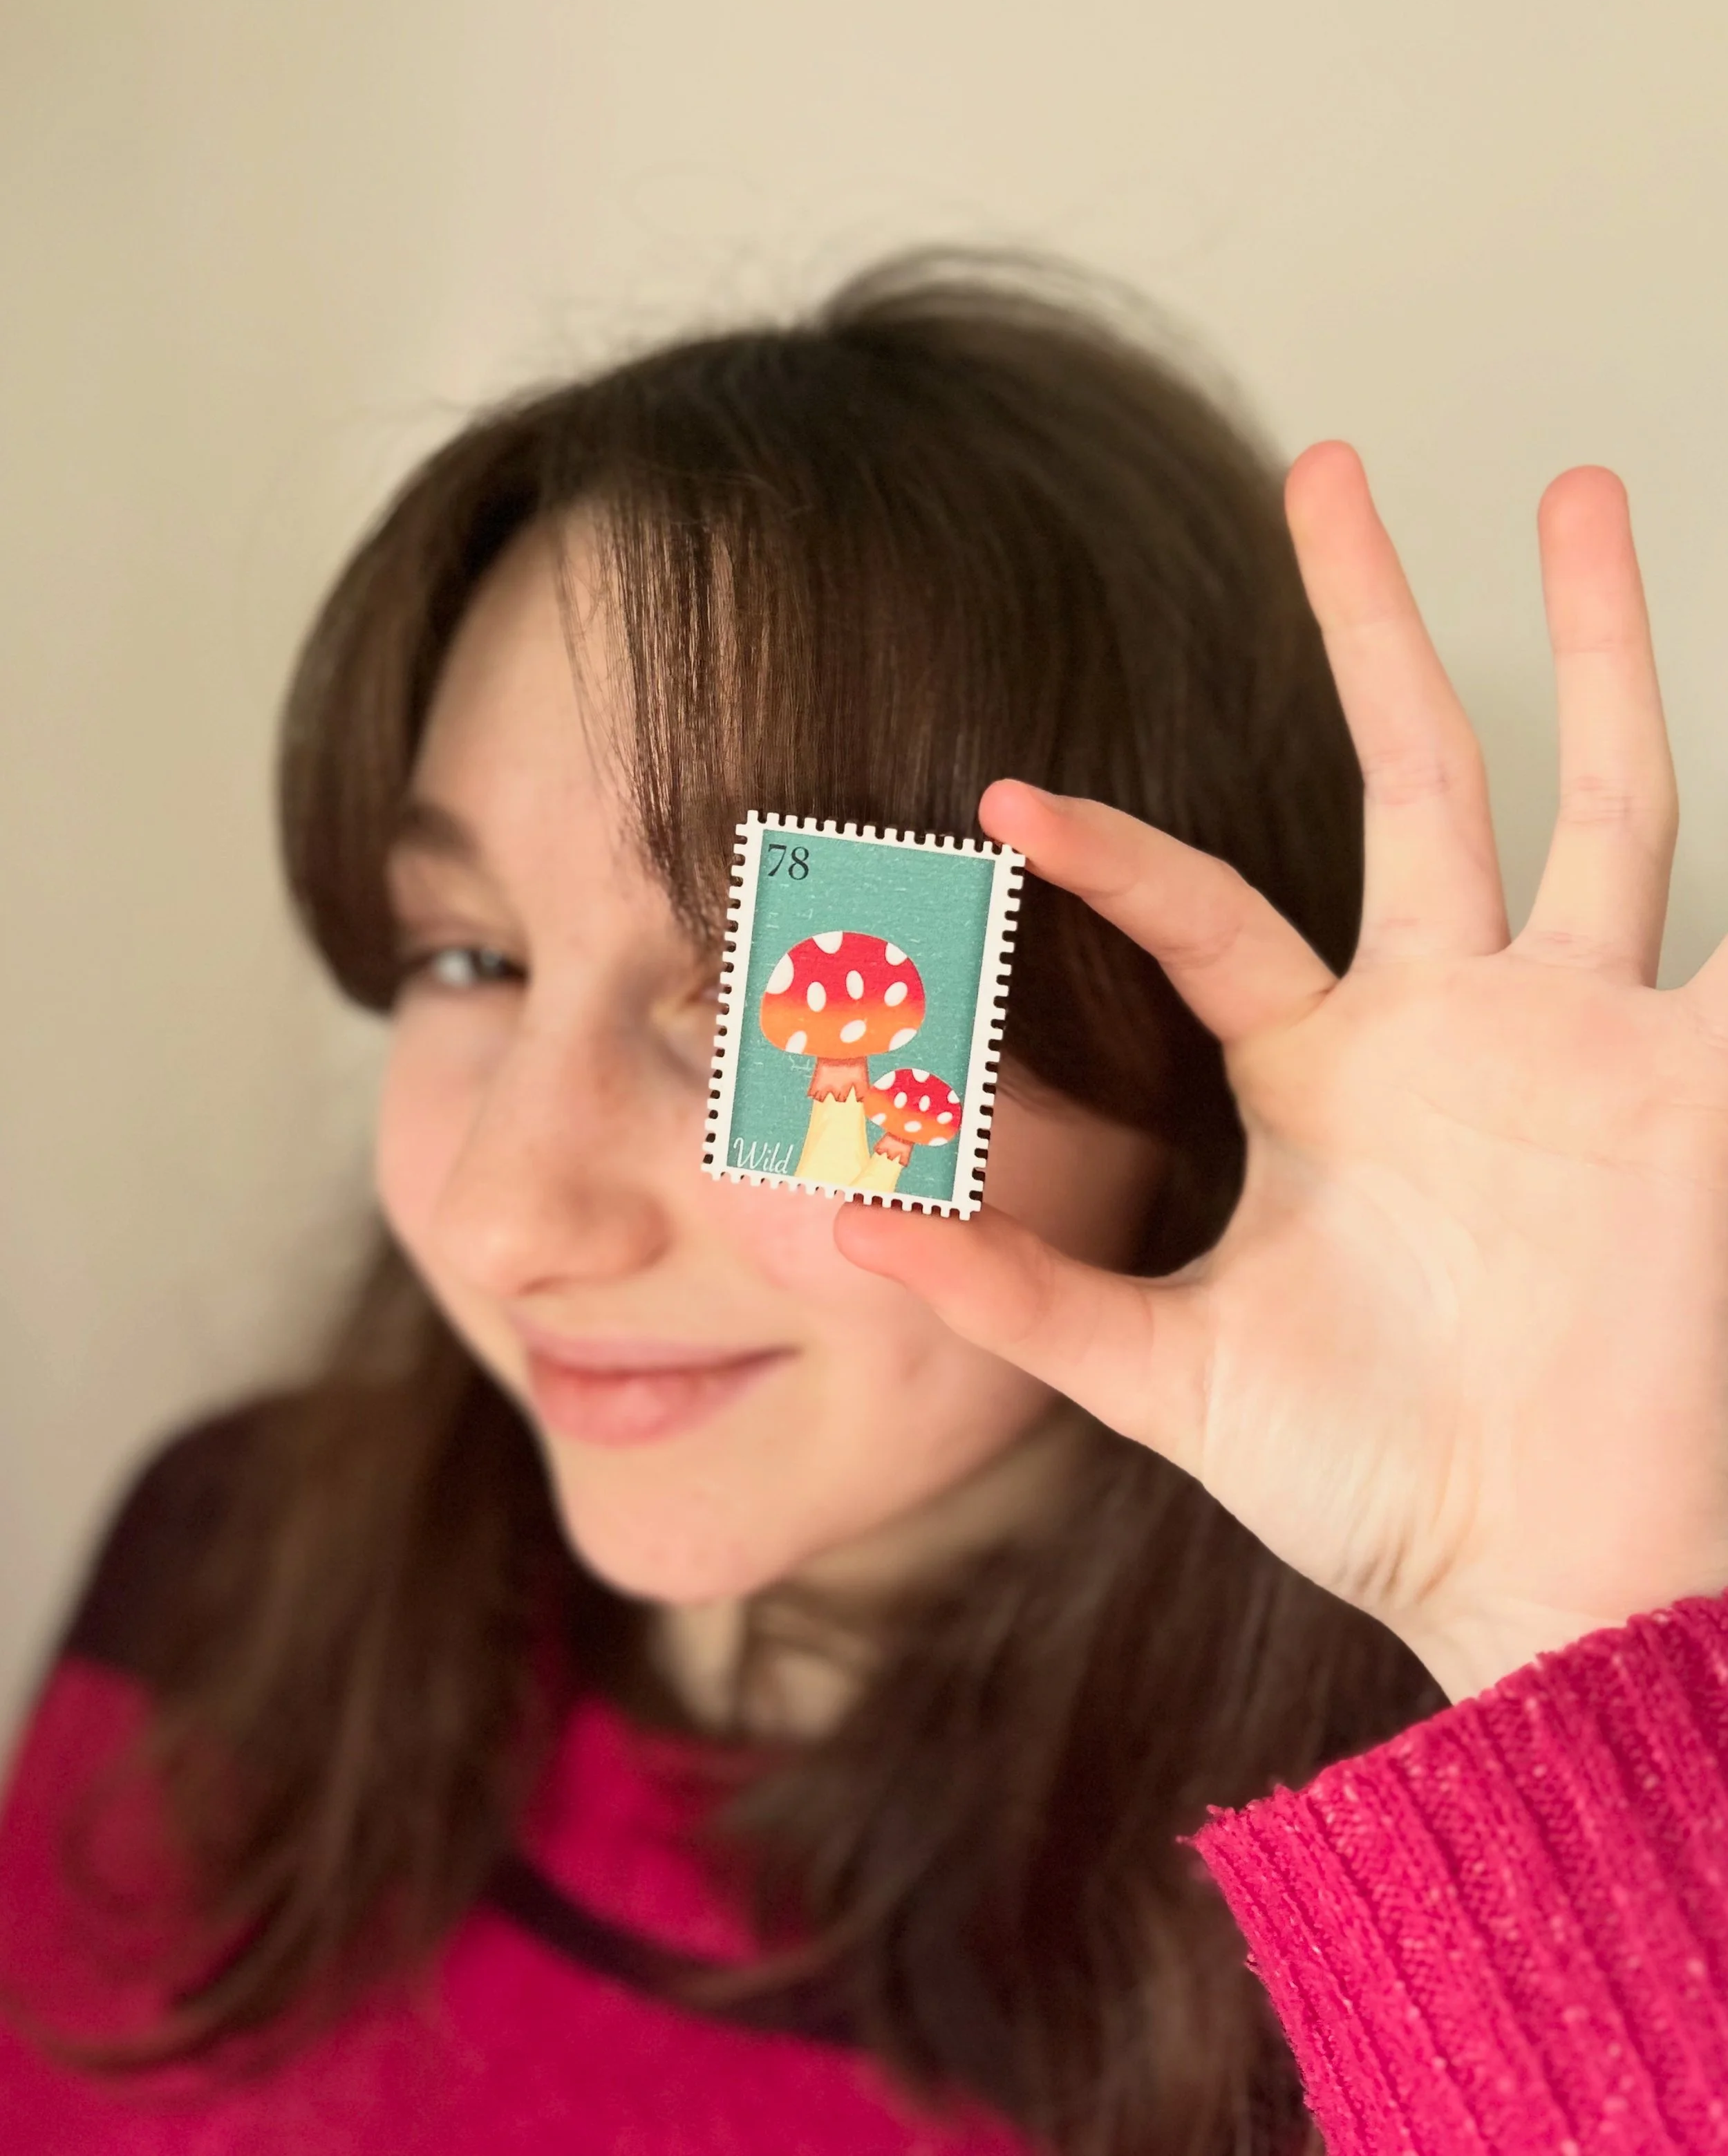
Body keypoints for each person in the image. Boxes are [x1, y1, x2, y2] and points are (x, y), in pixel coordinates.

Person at [3, 254, 1726, 2156]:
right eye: (466, 958)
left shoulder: (1409, 1948)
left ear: (1186, 1065)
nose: (509, 1216)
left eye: (768, 990)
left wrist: (1559, 1667)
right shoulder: (222, 1567)